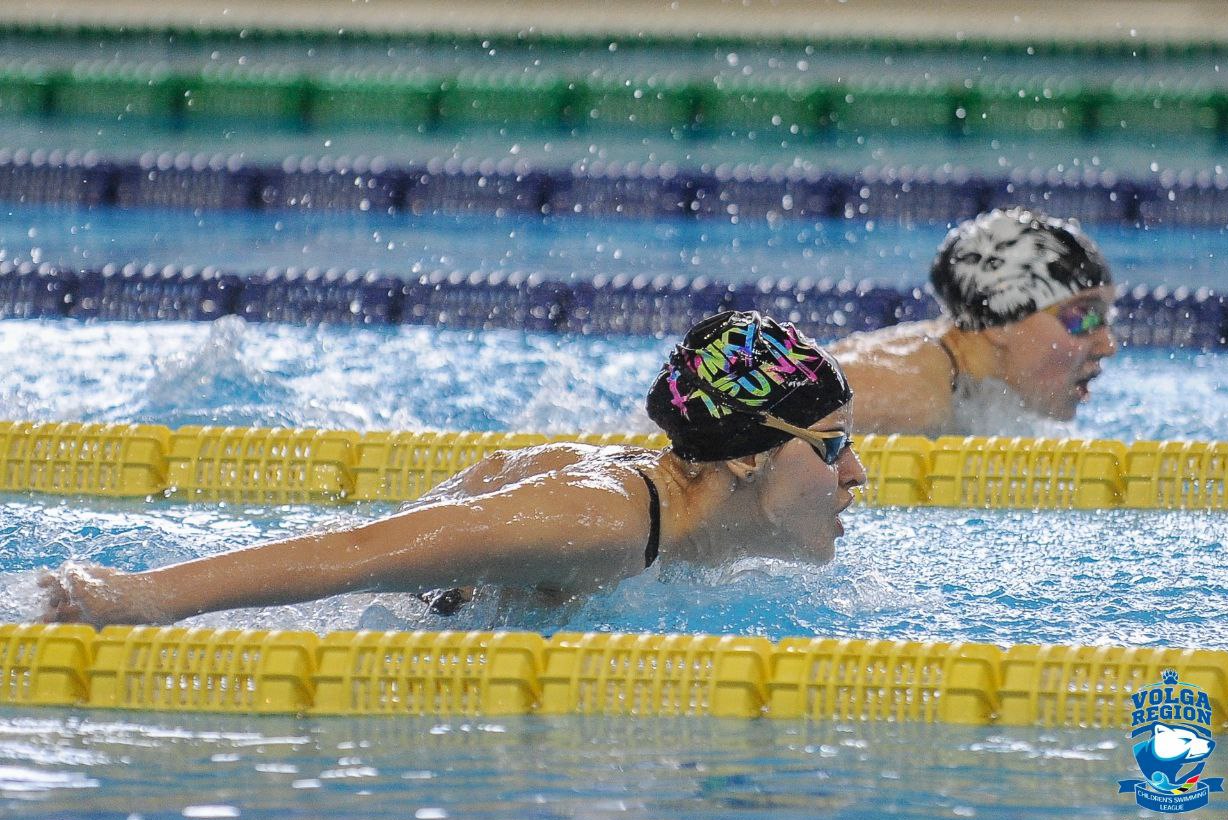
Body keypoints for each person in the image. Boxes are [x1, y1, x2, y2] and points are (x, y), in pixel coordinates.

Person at [40, 311, 866, 628]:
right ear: (748, 454)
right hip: (392, 610)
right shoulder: (606, 521)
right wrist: (144, 596)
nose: (856, 473)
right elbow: (359, 555)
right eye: (831, 445)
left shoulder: (692, 520)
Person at [830, 207, 1118, 437]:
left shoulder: (962, 382)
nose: (1108, 345)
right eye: (1083, 317)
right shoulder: (915, 397)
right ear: (1002, 320)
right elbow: (801, 400)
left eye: (1104, 318)